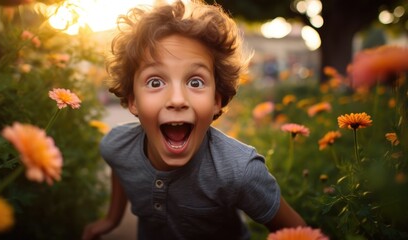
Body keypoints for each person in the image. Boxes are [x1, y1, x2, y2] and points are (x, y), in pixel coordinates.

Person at [82, 1, 306, 239]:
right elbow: (122, 166)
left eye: (195, 82)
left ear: (216, 101)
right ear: (133, 100)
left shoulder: (240, 171)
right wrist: (111, 219)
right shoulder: (116, 146)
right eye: (155, 82)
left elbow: (301, 234)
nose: (177, 100)